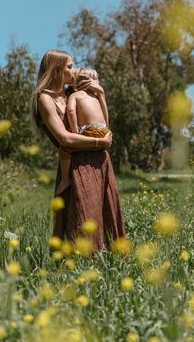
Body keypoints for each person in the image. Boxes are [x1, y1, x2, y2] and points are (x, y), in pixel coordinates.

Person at [31, 49, 125, 252]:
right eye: (69, 66)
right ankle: (78, 272)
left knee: (106, 215)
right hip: (75, 165)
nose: (73, 71)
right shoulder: (44, 99)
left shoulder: (72, 93)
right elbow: (64, 138)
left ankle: (109, 270)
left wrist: (100, 93)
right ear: (56, 70)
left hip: (100, 160)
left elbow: (102, 124)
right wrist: (99, 143)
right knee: (83, 221)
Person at [56, 67, 111, 195]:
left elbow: (70, 111)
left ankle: (65, 179)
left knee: (65, 148)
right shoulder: (97, 98)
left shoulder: (75, 95)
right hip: (105, 131)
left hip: (90, 132)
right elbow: (105, 120)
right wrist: (101, 94)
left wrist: (75, 132)